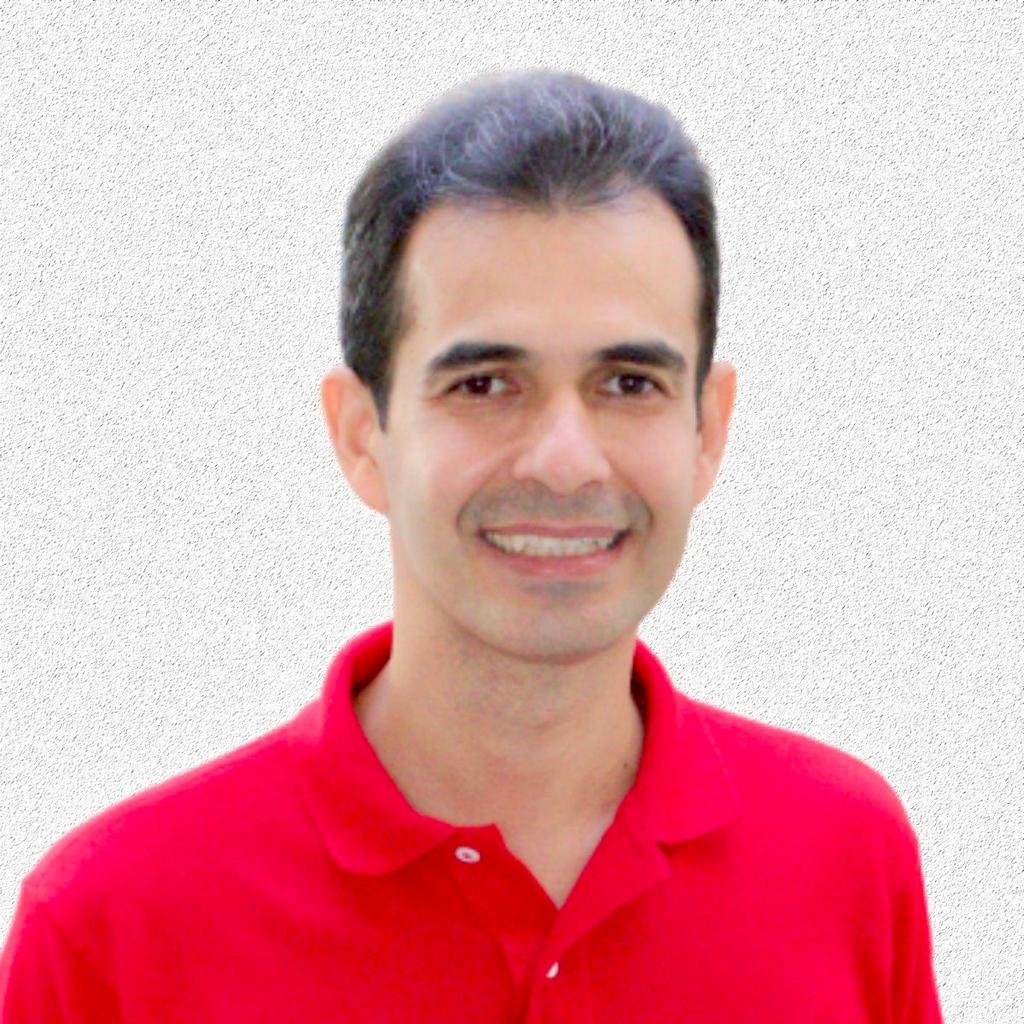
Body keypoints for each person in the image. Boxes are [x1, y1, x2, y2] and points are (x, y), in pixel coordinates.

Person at [0, 68, 943, 1022]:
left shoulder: (846, 857)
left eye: (629, 383)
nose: (567, 463)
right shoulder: (113, 928)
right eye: (485, 384)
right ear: (361, 435)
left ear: (707, 428)